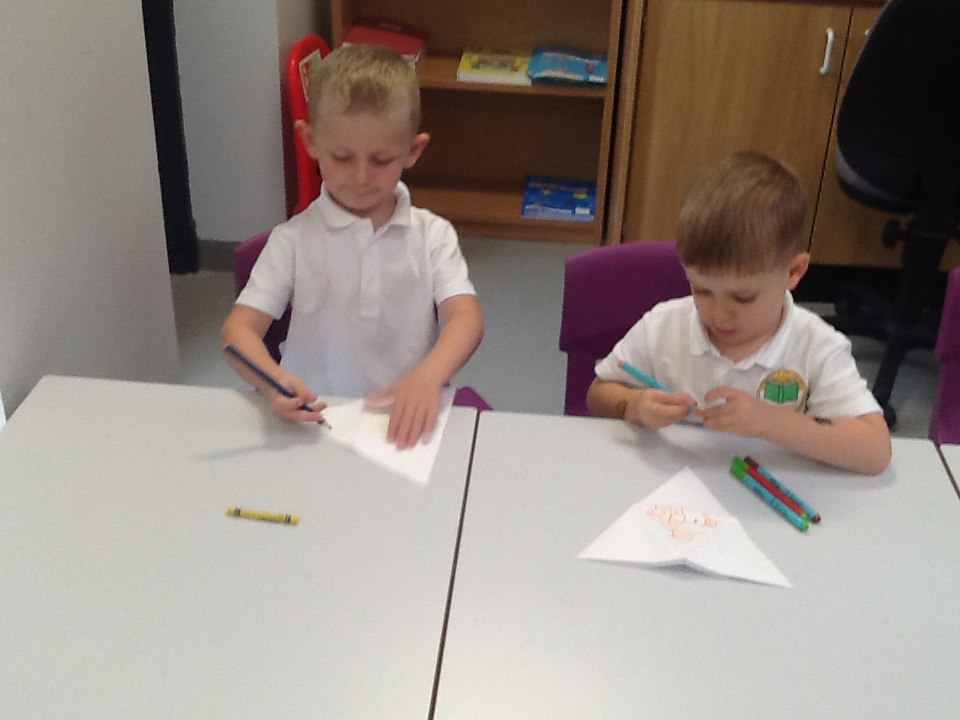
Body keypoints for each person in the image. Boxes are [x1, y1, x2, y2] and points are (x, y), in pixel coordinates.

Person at [222, 44, 484, 449]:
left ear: (413, 150)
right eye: (342, 157)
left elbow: (466, 318)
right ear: (310, 141)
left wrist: (428, 376)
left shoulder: (433, 235)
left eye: (381, 160)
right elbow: (237, 332)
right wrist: (274, 384)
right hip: (315, 421)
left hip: (401, 421)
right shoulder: (292, 240)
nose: (361, 177)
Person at [587, 151, 891, 474]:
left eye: (744, 298)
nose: (719, 315)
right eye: (701, 290)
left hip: (767, 485)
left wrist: (769, 422)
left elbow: (875, 451)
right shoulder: (662, 326)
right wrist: (635, 406)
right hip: (673, 484)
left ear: (793, 272)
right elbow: (598, 394)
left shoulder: (815, 345)